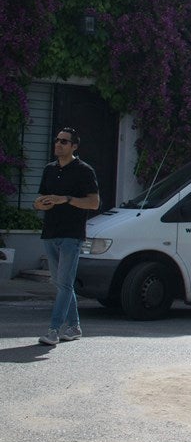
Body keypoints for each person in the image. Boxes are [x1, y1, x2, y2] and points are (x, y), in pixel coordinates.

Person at [34, 127, 100, 346]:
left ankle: (53, 330)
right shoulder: (49, 170)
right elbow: (40, 198)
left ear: (74, 146)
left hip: (72, 234)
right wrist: (41, 203)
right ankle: (74, 327)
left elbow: (94, 203)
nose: (58, 144)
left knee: (64, 284)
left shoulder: (84, 170)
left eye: (64, 141)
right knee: (62, 284)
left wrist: (66, 199)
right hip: (50, 232)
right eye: (57, 140)